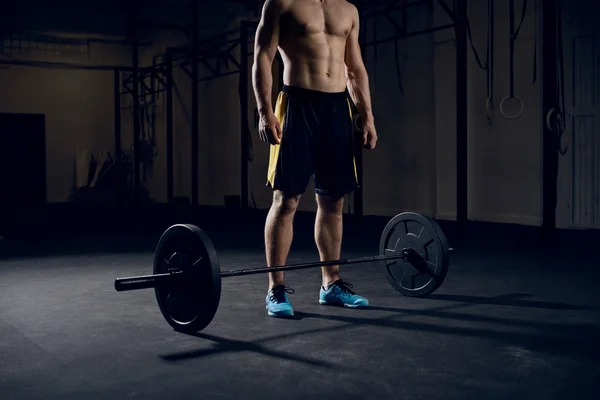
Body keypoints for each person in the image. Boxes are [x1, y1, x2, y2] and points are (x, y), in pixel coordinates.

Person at [252, 0, 377, 318]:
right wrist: (265, 112)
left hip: (337, 109)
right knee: (286, 200)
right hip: (297, 105)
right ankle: (275, 288)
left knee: (334, 201)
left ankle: (330, 284)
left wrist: (368, 116)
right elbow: (263, 57)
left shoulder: (349, 10)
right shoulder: (282, 3)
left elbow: (355, 67)